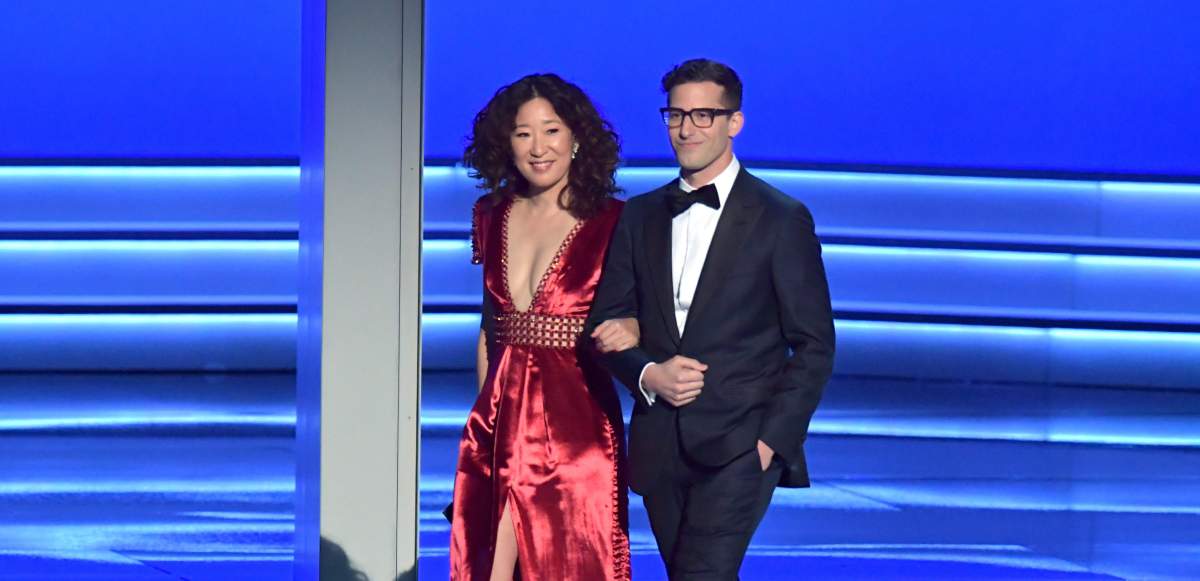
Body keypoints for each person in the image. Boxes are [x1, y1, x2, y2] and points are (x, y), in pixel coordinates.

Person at [586, 58, 837, 579]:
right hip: (659, 441)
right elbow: (606, 322)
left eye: (703, 115)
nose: (686, 128)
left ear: (733, 122)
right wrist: (647, 374)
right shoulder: (641, 214)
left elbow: (813, 343)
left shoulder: (780, 218)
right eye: (676, 114)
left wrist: (772, 441)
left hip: (740, 445)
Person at [449, 73, 638, 581]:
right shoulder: (491, 213)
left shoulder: (617, 221)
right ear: (504, 144)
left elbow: (645, 316)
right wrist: (481, 417)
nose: (538, 148)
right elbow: (491, 328)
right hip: (495, 419)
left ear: (577, 138)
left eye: (551, 131)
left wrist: (634, 330)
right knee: (487, 563)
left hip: (576, 424)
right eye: (522, 133)